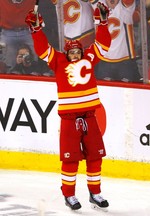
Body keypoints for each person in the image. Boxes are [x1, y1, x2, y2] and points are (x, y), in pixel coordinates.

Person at [25, 2, 111, 211]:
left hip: (90, 117)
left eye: (77, 52)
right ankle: (69, 195)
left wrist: (102, 23)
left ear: (82, 51)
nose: (74, 55)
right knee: (70, 160)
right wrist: (36, 30)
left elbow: (103, 44)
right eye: (71, 52)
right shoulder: (59, 61)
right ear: (66, 53)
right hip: (70, 120)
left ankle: (95, 192)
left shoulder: (89, 58)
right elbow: (43, 49)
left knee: (95, 157)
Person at [94, 0, 142, 82]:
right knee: (104, 92)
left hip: (125, 61)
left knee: (129, 92)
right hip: (103, 61)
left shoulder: (125, 8)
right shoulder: (99, 5)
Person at [0, 0, 37, 70]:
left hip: (27, 32)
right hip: (8, 33)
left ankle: (34, 76)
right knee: (7, 63)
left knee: (33, 59)